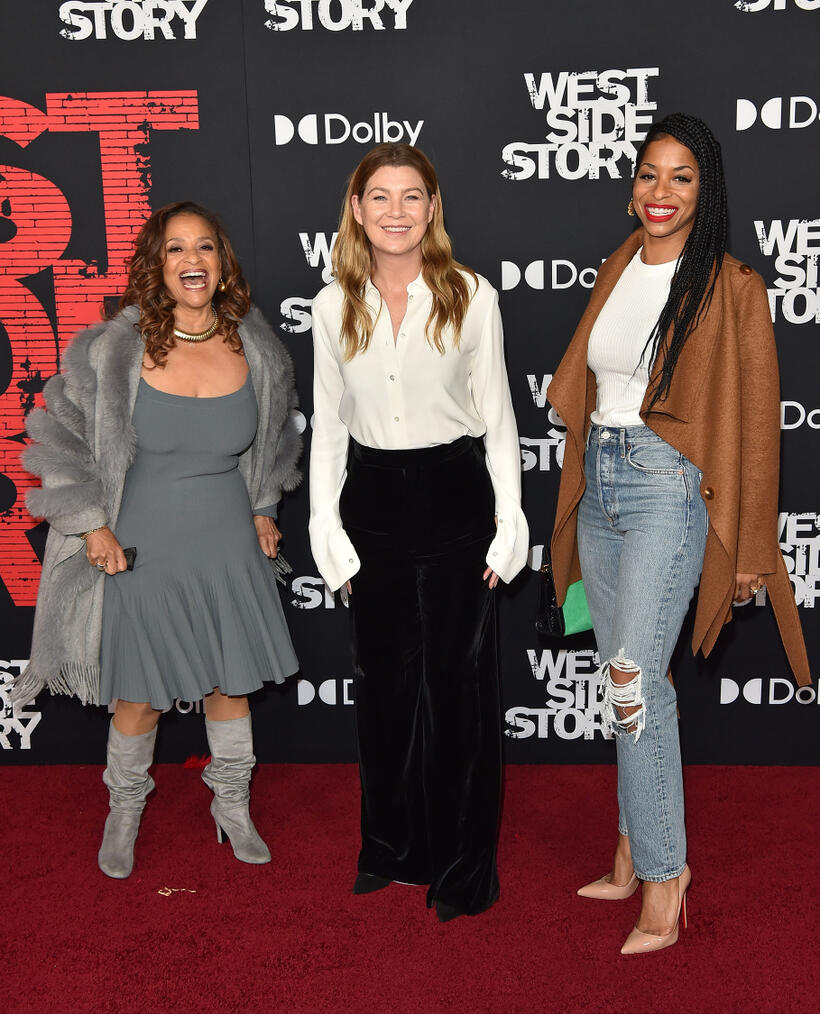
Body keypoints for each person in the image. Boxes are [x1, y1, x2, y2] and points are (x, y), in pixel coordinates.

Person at [548, 113, 810, 955]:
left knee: (633, 683)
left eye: (682, 177)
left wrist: (751, 548)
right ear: (633, 185)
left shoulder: (732, 288)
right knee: (622, 674)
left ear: (707, 191)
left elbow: (756, 427)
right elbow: (590, 385)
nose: (661, 193)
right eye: (650, 175)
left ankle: (665, 878)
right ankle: (629, 849)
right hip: (601, 485)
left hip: (668, 486)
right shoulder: (618, 265)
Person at [16, 201, 302, 878]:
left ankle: (231, 805)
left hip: (227, 541)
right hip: (140, 543)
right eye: (175, 250)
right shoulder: (113, 348)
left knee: (230, 684)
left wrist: (264, 505)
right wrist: (90, 523)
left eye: (204, 248)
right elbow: (58, 441)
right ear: (158, 265)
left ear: (222, 263)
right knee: (139, 693)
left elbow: (276, 437)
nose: (192, 261)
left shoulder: (255, 346)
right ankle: (125, 809)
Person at [309, 143, 528, 922]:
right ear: (358, 209)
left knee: (460, 692)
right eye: (380, 196)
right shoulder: (332, 305)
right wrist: (325, 531)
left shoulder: (472, 294)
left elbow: (498, 419)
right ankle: (394, 850)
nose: (395, 211)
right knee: (386, 688)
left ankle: (465, 869)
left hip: (454, 499)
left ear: (432, 208)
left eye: (411, 196)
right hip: (371, 501)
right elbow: (330, 429)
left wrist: (511, 528)